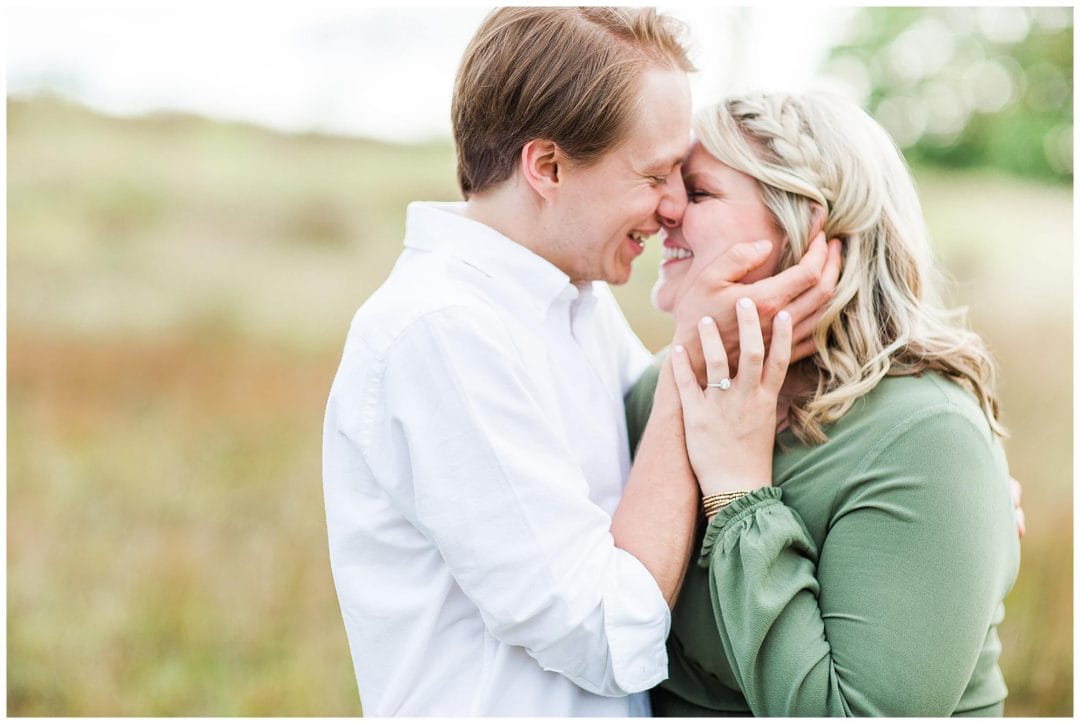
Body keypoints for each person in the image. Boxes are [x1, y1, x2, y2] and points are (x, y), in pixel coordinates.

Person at [322, 9, 838, 716]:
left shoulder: (574, 300)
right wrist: (690, 357)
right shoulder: (440, 335)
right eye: (655, 173)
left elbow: (689, 452)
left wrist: (927, 488)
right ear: (548, 167)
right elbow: (605, 635)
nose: (673, 208)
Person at [624, 91, 1022, 716]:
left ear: (806, 227)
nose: (665, 208)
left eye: (699, 193)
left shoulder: (926, 436)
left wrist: (737, 492)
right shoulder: (658, 390)